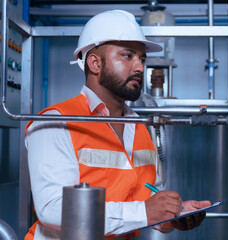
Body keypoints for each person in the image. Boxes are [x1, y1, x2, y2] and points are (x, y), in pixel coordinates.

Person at [24, 9, 210, 240]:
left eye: (142, 59)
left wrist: (170, 215)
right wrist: (145, 212)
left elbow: (145, 198)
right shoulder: (55, 122)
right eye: (127, 56)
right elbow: (52, 208)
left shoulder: (139, 126)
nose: (140, 67)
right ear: (94, 63)